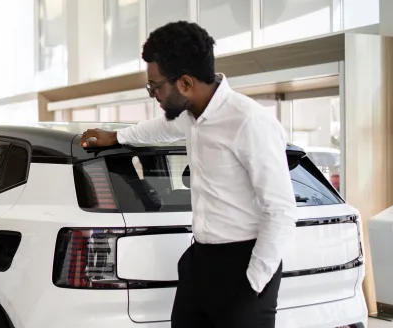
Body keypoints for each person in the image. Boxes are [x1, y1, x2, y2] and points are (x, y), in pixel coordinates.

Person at [80, 21, 296, 327]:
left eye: (155, 87)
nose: (154, 95)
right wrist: (115, 137)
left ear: (184, 83)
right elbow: (162, 128)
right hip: (200, 262)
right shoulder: (190, 116)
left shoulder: (249, 122)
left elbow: (282, 211)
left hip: (243, 268)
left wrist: (253, 281)